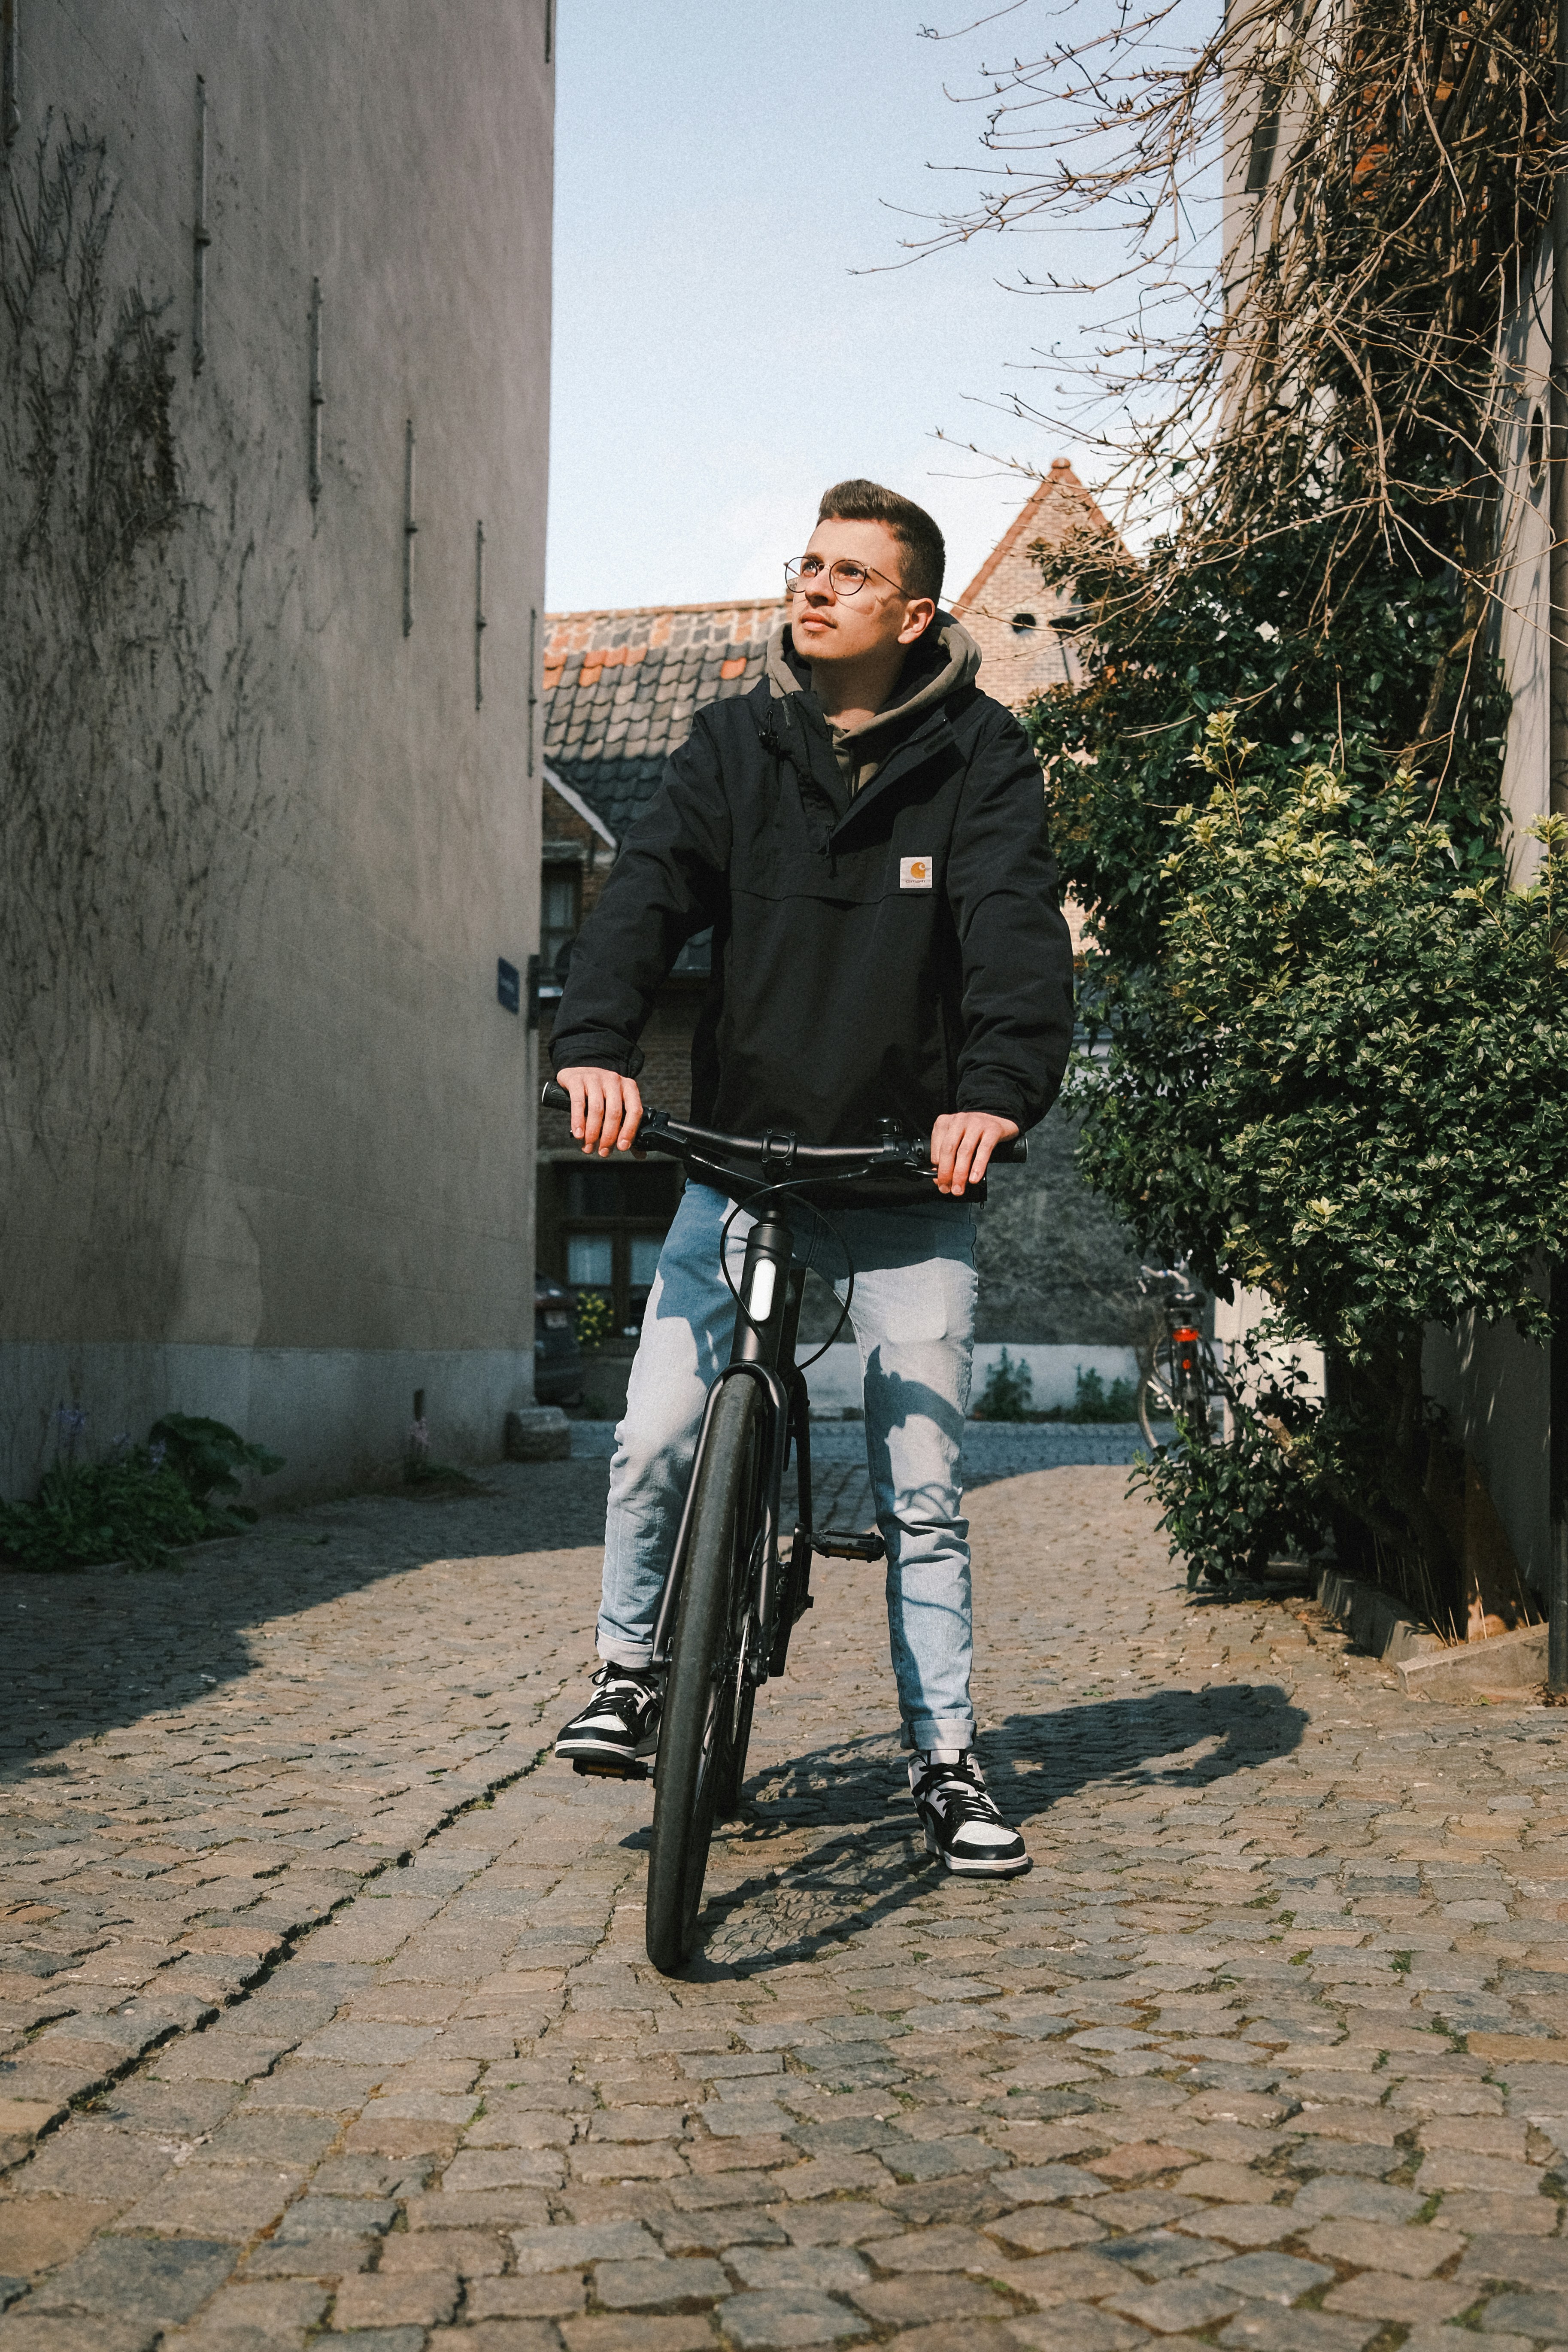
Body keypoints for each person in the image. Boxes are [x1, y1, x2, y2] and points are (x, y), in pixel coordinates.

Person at [550, 479, 1074, 1876]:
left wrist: (994, 1097)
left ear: (914, 615)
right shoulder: (736, 743)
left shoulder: (980, 757)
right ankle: (627, 1671)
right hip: (744, 1162)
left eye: (850, 574)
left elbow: (1017, 940)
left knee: (919, 1487)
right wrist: (596, 1045)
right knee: (657, 1430)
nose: (815, 586)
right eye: (808, 564)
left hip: (907, 1173)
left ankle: (947, 1763)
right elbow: (645, 896)